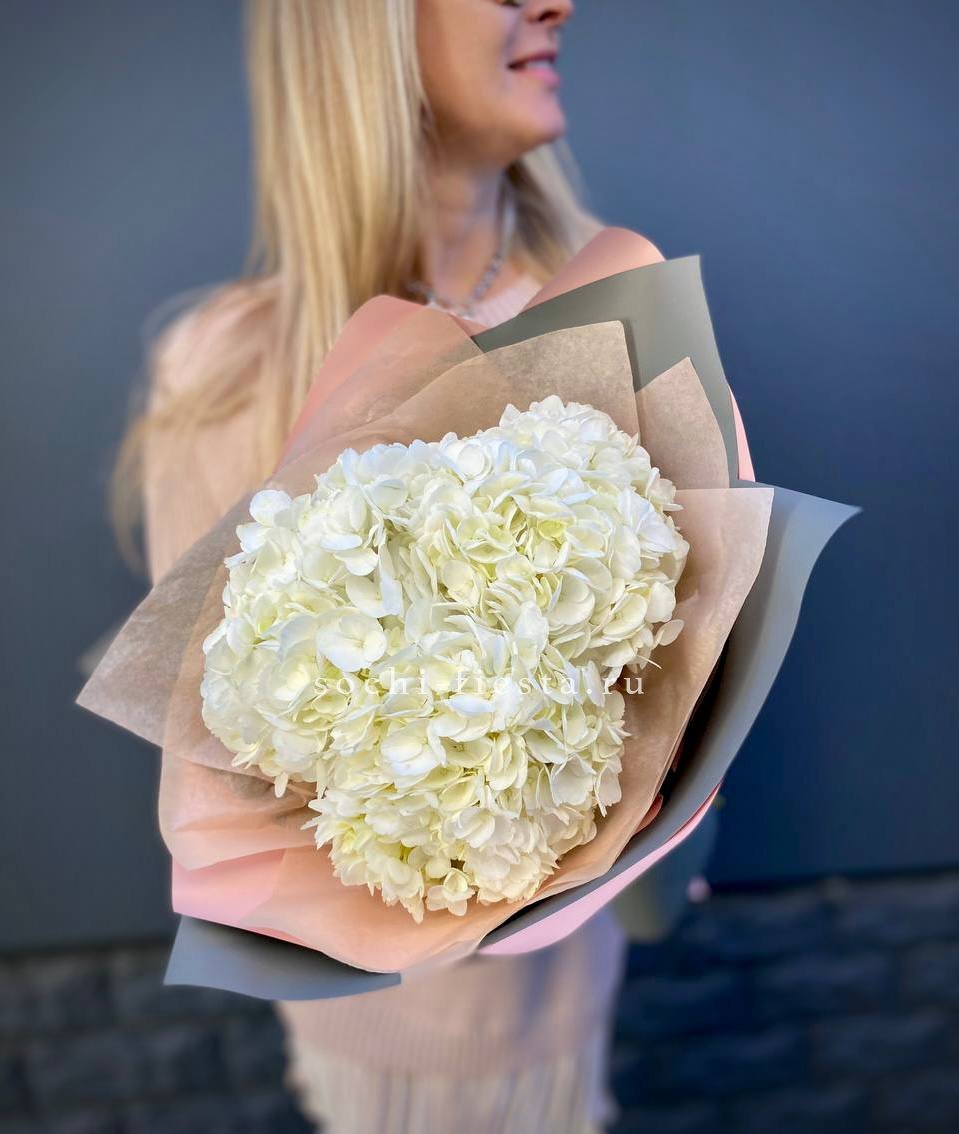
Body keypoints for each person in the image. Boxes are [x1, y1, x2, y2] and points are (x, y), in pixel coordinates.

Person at [112, 2, 669, 1130]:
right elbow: (226, 742)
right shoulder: (221, 368)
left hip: (563, 994)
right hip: (361, 1022)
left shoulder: (619, 322)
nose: (554, 3)